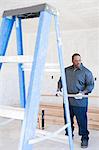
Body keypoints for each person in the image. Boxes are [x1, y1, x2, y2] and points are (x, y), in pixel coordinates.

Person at [56, 53, 94, 148]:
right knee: (68, 120)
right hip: (68, 101)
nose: (78, 62)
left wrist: (83, 92)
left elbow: (90, 85)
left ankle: (84, 138)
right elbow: (61, 81)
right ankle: (69, 135)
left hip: (80, 102)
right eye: (76, 60)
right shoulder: (66, 70)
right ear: (72, 60)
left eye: (79, 60)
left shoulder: (86, 72)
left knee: (82, 121)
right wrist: (58, 90)